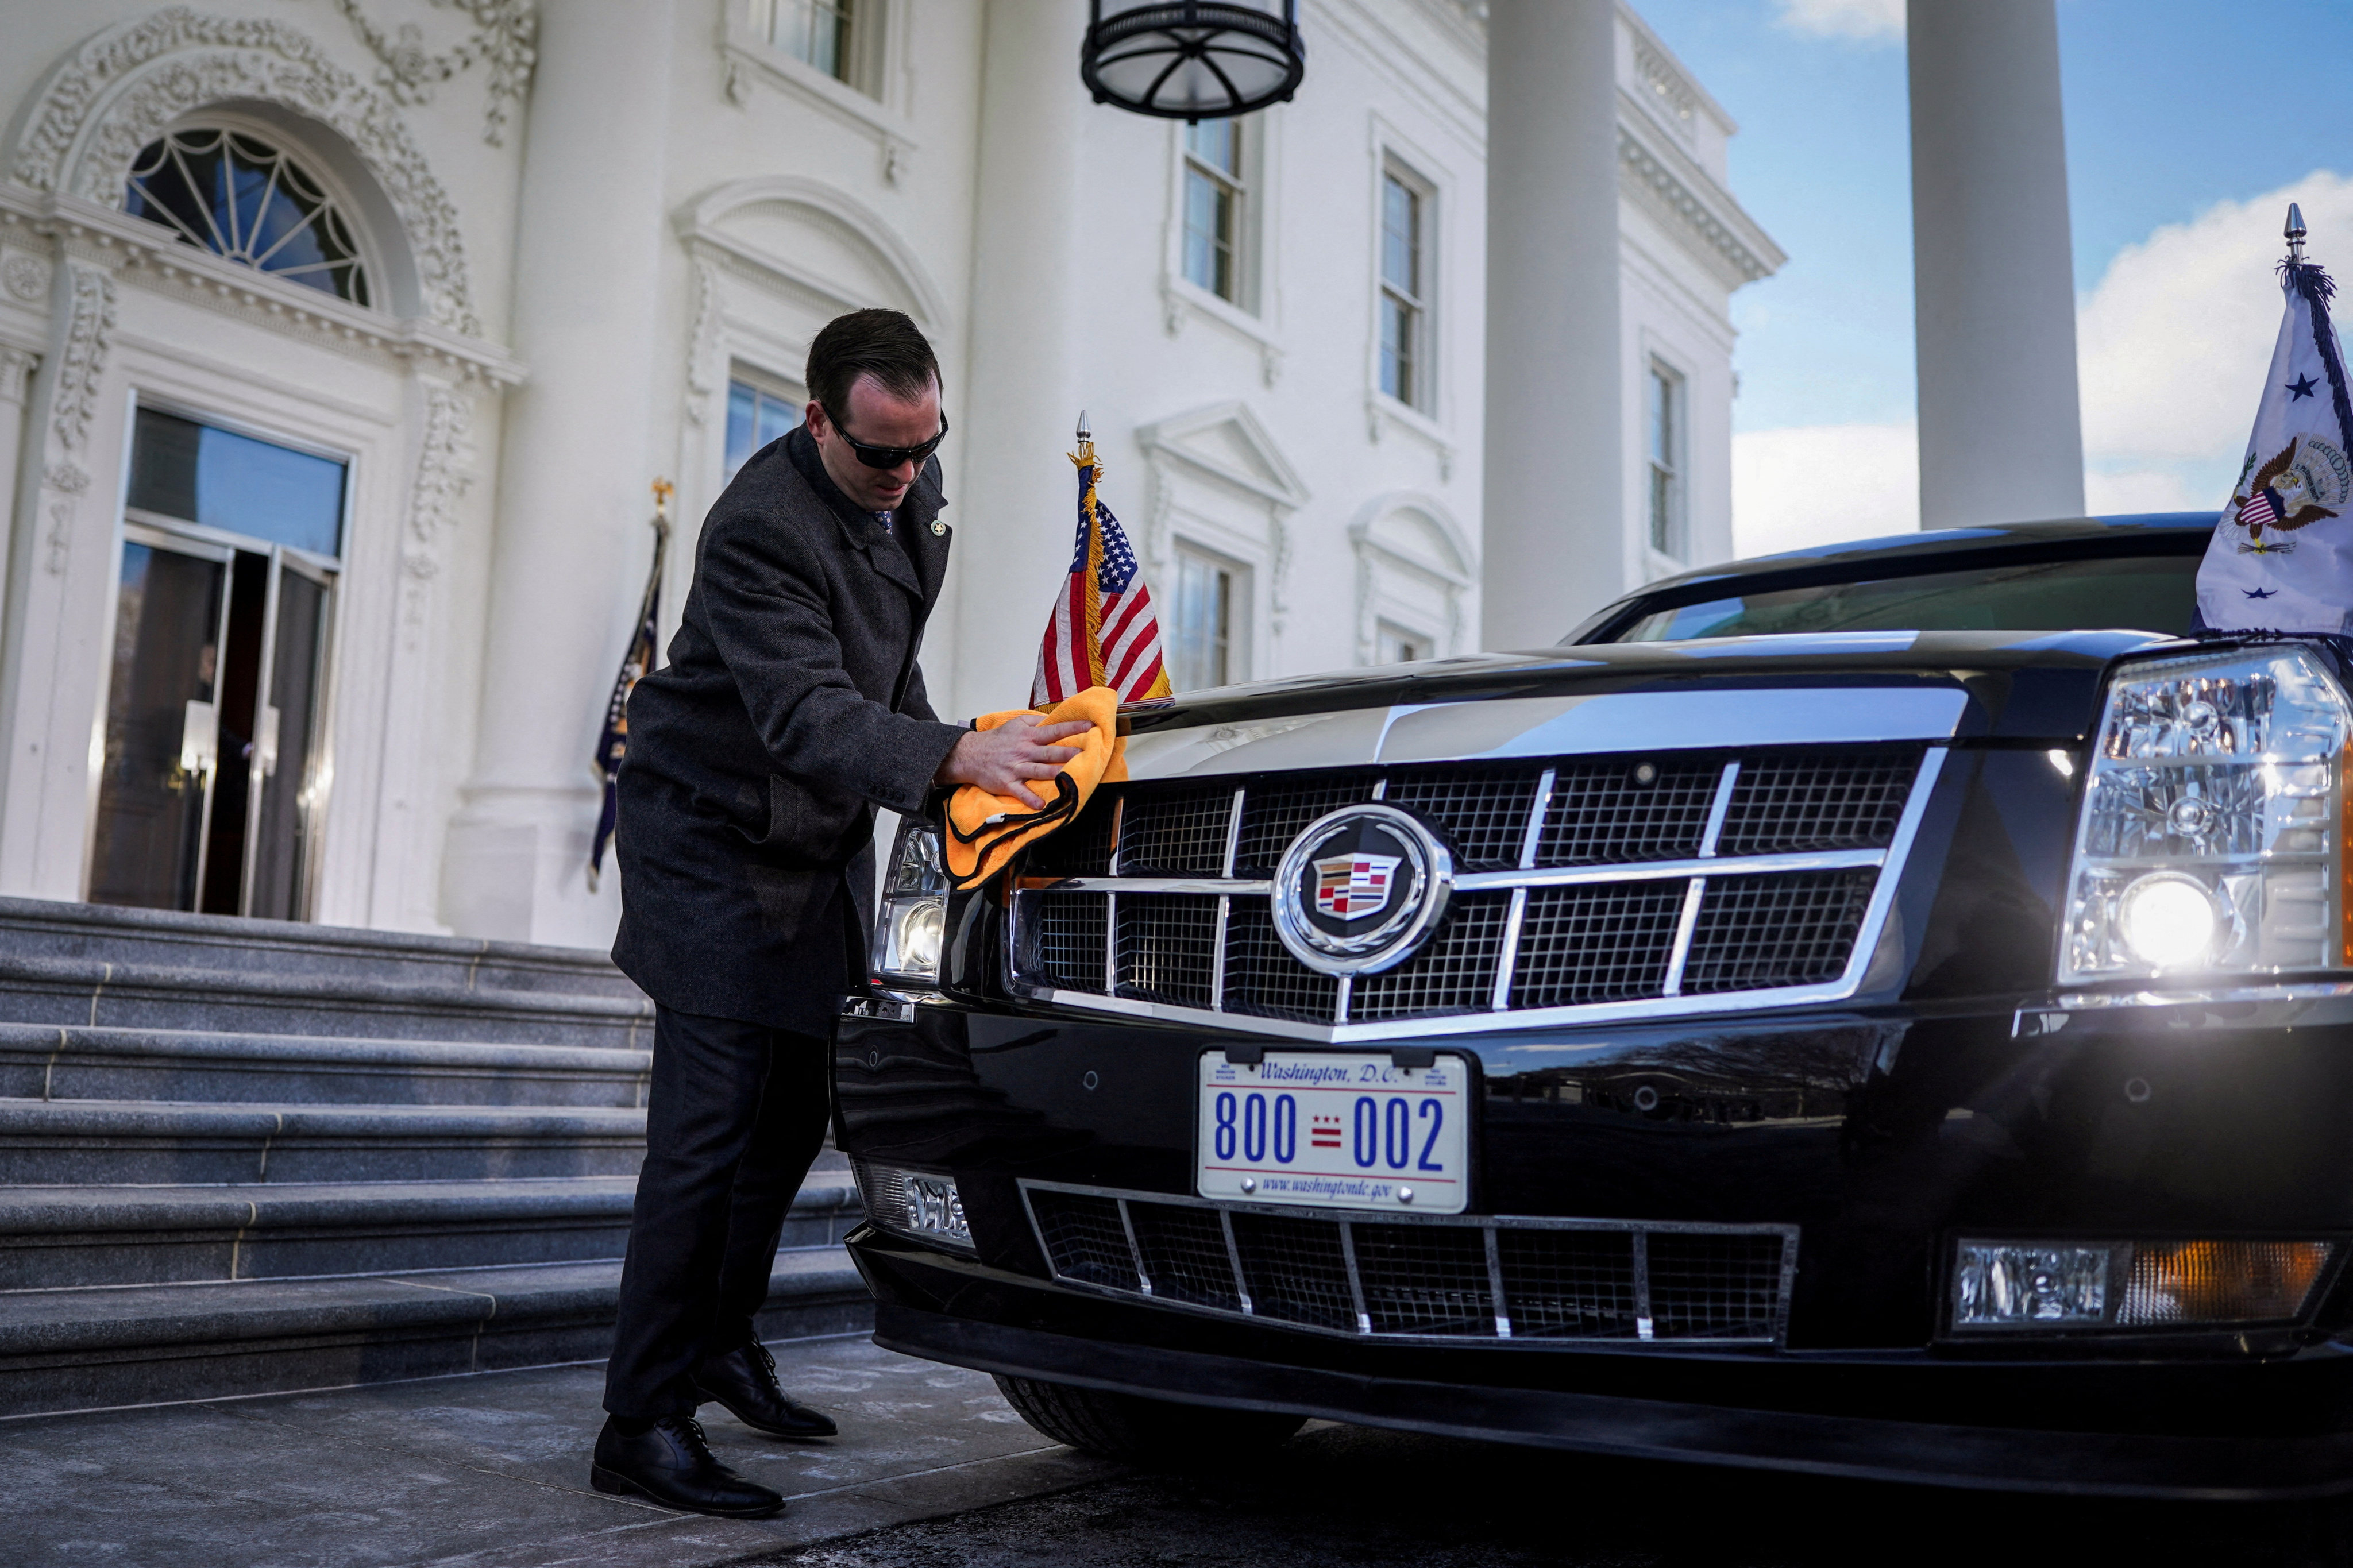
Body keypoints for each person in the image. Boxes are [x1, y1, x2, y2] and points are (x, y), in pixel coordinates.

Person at [592, 308, 1090, 1519]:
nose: (908, 475)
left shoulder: (910, 493)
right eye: (881, 453)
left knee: (792, 1118)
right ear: (817, 419)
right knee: (708, 1132)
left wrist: (941, 761)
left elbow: (886, 667)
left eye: (927, 446)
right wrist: (952, 757)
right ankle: (637, 1421)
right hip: (707, 838)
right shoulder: (758, 531)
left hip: (815, 842)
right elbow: (808, 713)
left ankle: (720, 1345)